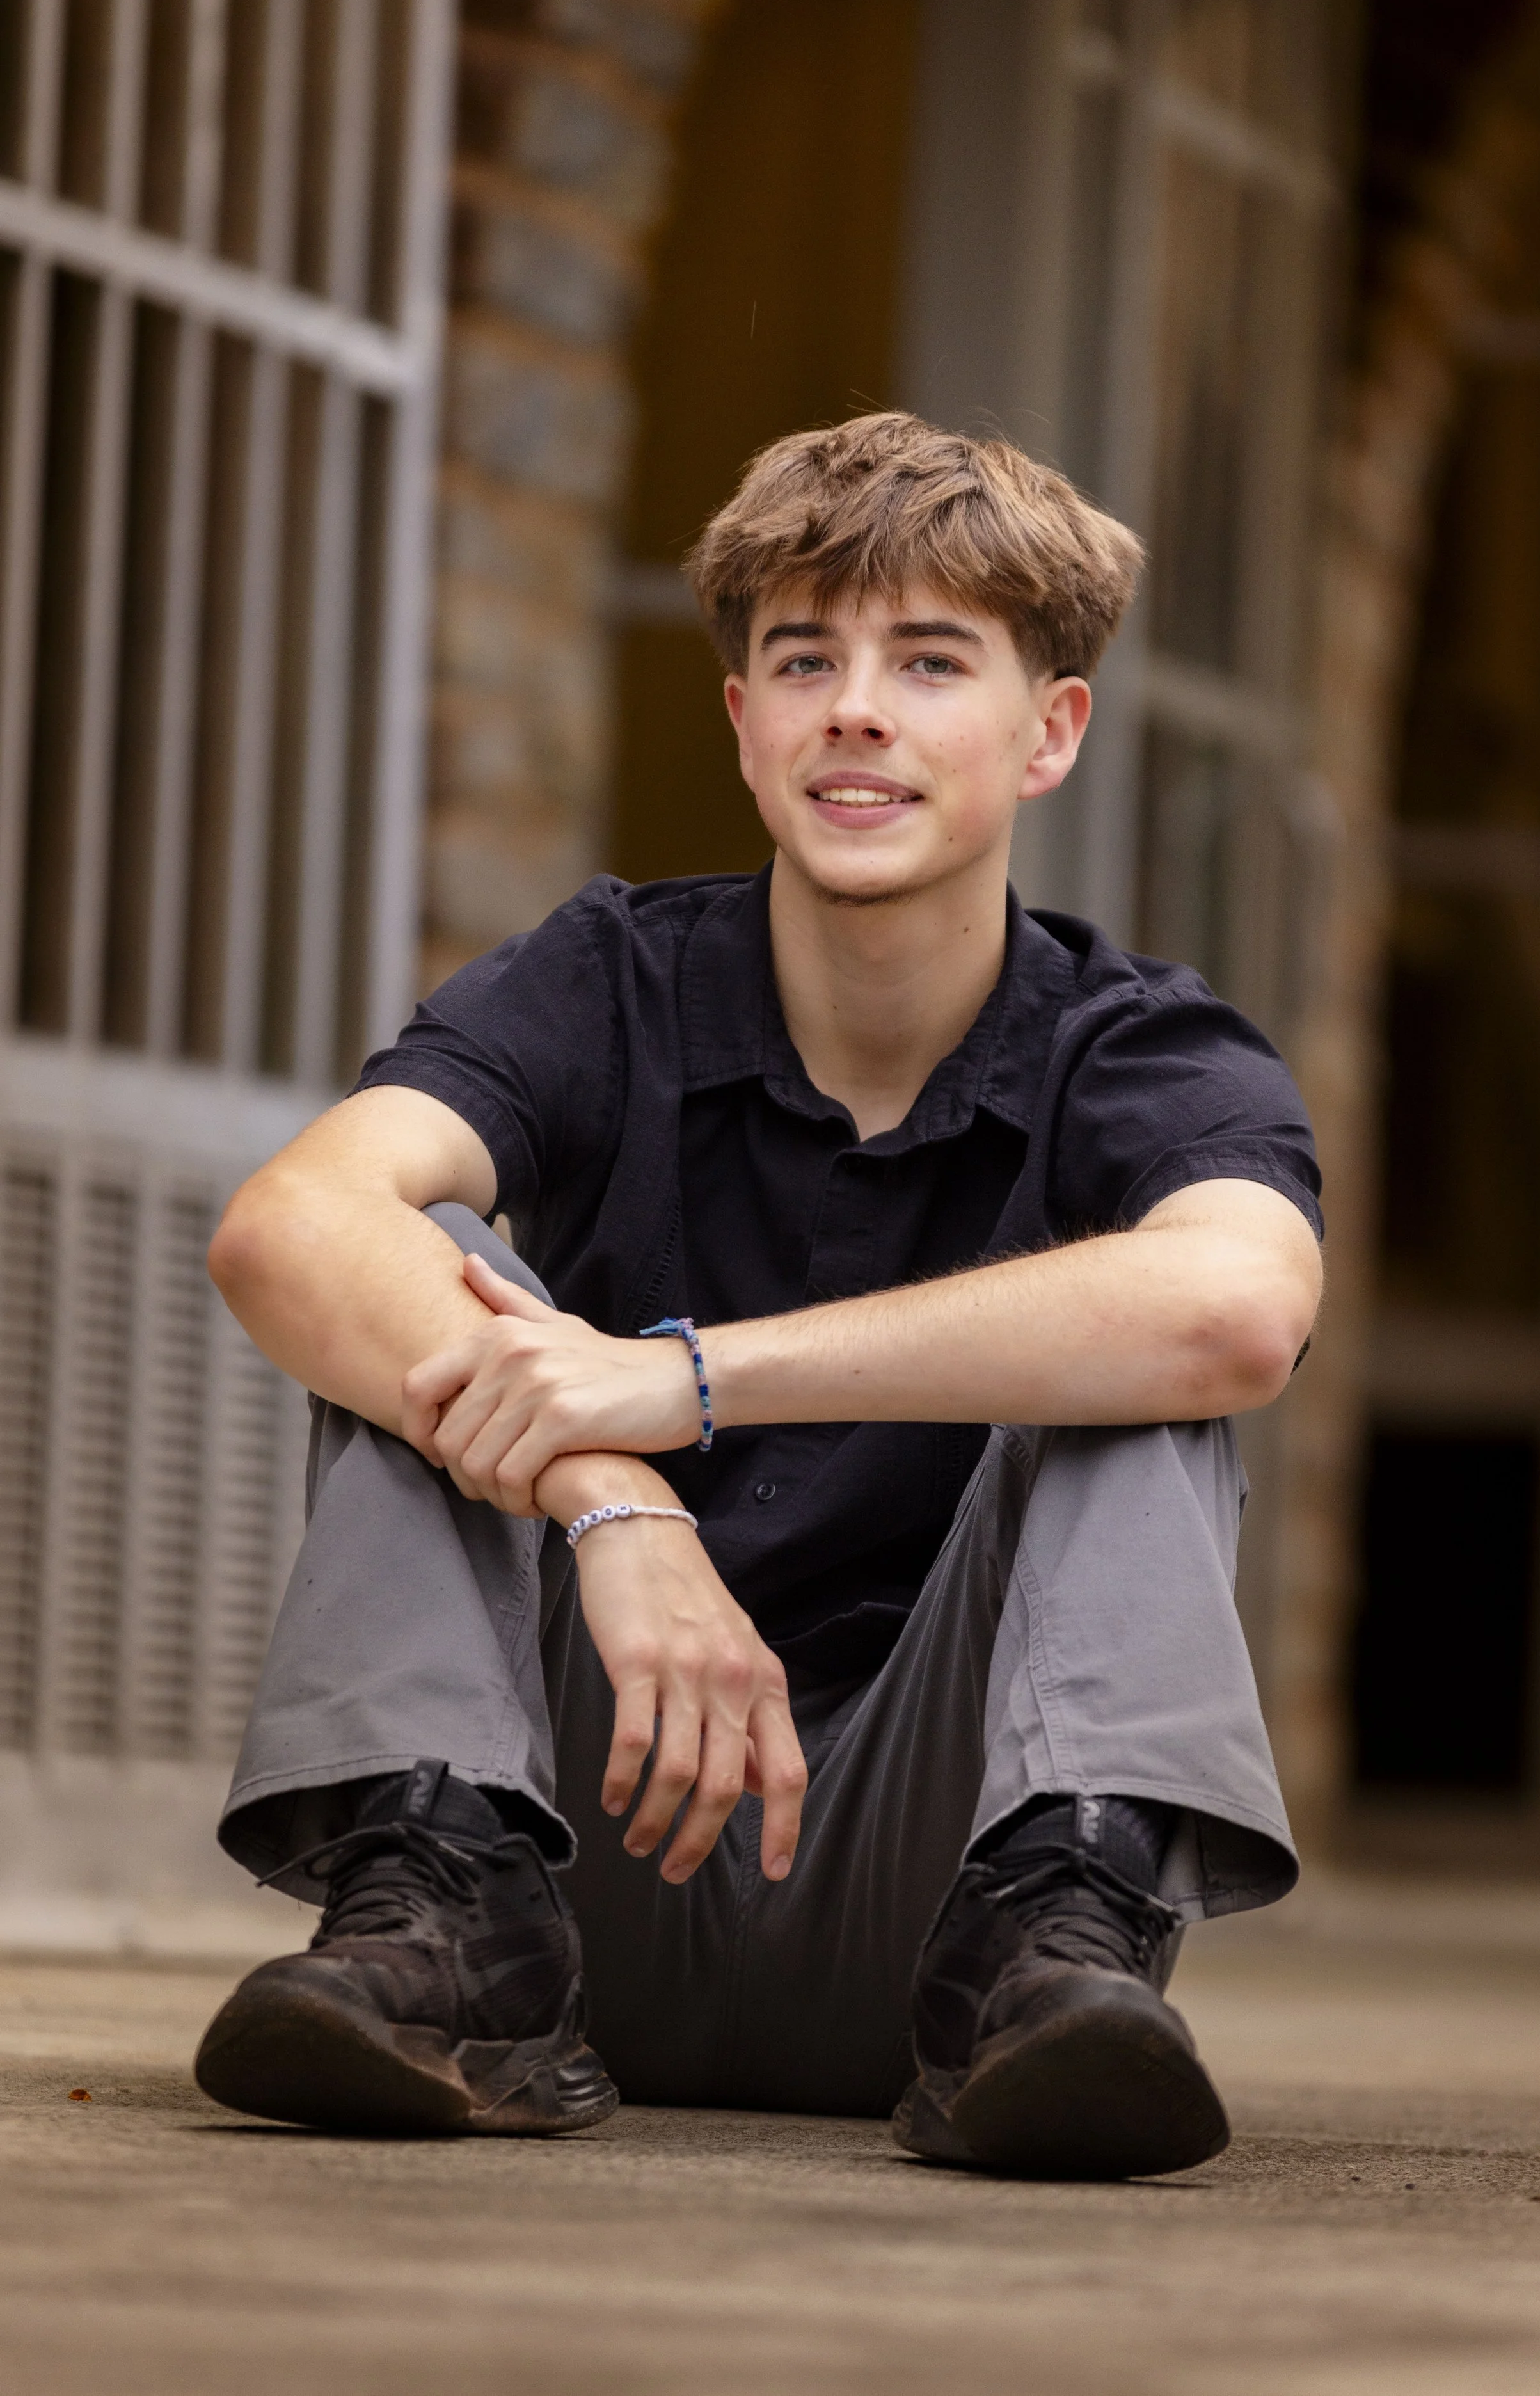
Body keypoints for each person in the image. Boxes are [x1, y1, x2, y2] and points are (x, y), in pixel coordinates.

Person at [193, 412, 1322, 2180]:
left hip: (953, 1929)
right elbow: (289, 1221)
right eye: (805, 658)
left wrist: (682, 1382)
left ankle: (1065, 1922)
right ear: (744, 721)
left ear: (1051, 730)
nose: (855, 708)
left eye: (928, 660)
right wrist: (611, 1495)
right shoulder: (608, 979)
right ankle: (430, 1913)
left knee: (1139, 1347)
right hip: (566, 1874)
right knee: (432, 1275)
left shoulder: (1147, 1050)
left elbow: (1239, 1310)